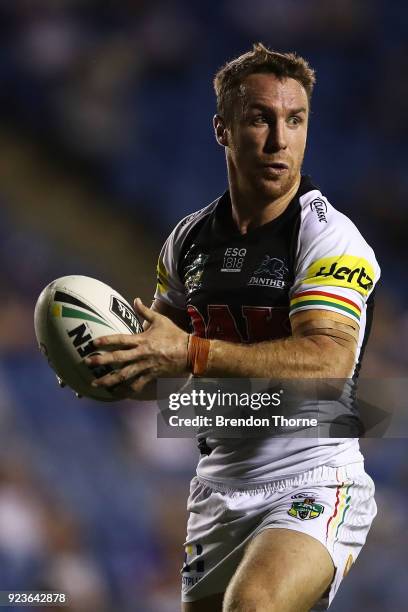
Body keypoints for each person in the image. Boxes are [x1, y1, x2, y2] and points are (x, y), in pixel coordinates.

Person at [85, 44, 380, 612]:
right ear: (223, 129)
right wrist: (108, 368)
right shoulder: (187, 241)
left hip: (314, 477)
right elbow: (161, 366)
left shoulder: (328, 236)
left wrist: (192, 352)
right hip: (219, 487)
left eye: (295, 120)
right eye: (259, 119)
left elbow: (328, 362)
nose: (279, 140)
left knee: (253, 605)